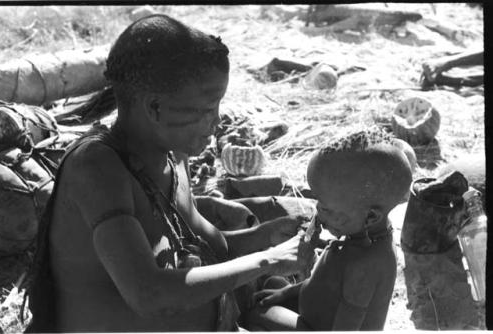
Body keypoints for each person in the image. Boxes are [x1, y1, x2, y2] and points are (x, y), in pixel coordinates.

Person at [23, 14, 317, 332]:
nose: (217, 122)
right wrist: (268, 259)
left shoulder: (172, 156)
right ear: (155, 108)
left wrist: (264, 238)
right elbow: (150, 294)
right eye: (207, 109)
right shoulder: (97, 168)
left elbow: (207, 248)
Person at [246, 128, 413, 331]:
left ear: (370, 216)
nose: (317, 209)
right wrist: (287, 293)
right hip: (315, 311)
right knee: (274, 283)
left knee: (255, 314)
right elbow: (324, 283)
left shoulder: (366, 265)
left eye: (325, 207)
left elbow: (347, 327)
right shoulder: (359, 234)